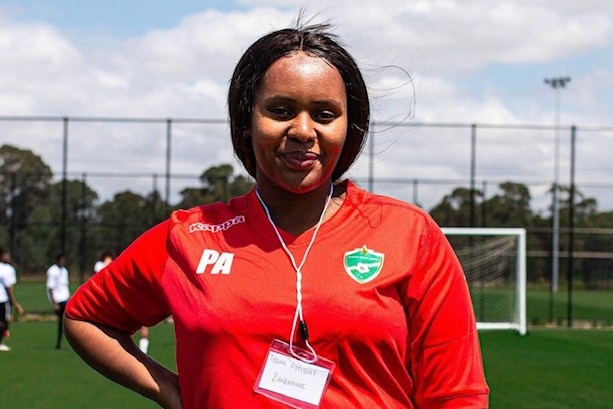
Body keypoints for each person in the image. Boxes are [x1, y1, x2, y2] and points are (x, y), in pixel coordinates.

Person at [64, 21, 489, 409]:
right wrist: (174, 392)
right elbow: (86, 317)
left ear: (350, 127)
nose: (303, 131)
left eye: (324, 114)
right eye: (281, 110)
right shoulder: (191, 236)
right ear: (246, 122)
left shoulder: (410, 235)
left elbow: (457, 395)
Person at [0, 248, 24, 351]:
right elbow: (9, 287)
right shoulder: (8, 269)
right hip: (3, 299)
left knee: (5, 321)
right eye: (6, 255)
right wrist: (15, 304)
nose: (8, 257)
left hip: (3, 299)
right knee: (4, 321)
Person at [46, 254, 70, 349]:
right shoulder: (52, 271)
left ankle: (61, 342)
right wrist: (54, 302)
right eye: (62, 260)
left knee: (65, 321)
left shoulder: (64, 271)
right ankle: (60, 342)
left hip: (65, 298)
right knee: (62, 321)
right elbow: (50, 287)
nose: (63, 262)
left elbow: (65, 285)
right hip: (58, 299)